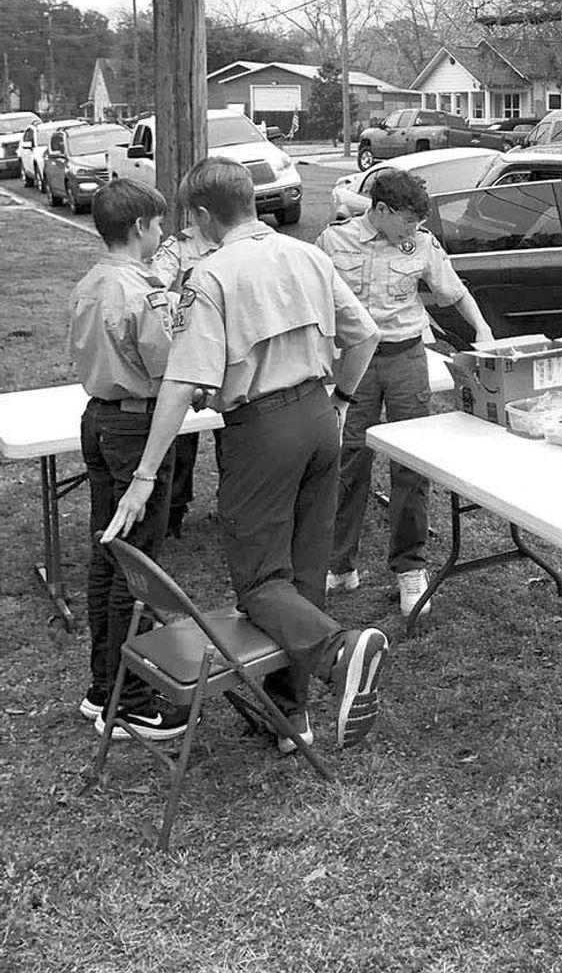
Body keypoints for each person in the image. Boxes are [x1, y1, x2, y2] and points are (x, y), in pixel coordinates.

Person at [102, 158, 388, 751]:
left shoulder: (211, 276)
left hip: (261, 429)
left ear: (204, 216)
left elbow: (181, 384)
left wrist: (146, 474)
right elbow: (365, 334)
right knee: (303, 571)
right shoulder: (310, 254)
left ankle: (340, 651)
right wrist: (340, 400)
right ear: (252, 201)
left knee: (259, 579)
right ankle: (292, 718)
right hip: (318, 417)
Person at [316, 167, 495, 616]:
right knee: (348, 457)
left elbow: (453, 292)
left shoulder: (422, 245)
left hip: (405, 359)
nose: (414, 230)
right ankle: (339, 564)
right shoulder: (333, 242)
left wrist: (483, 329)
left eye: (418, 222)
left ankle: (410, 567)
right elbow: (311, 298)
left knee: (410, 465)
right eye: (408, 221)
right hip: (354, 361)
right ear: (380, 211)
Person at [69, 179, 188, 742]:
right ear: (140, 228)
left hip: (98, 417)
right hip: (135, 426)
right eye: (159, 224)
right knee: (134, 566)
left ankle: (103, 687)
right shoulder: (144, 294)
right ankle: (131, 701)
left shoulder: (92, 281)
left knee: (105, 554)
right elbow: (171, 374)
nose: (162, 233)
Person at [151, 218, 218, 537]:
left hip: (233, 354)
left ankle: (235, 506)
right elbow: (153, 287)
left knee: (237, 438)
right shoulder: (179, 245)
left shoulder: (246, 241)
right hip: (191, 351)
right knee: (181, 438)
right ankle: (173, 511)